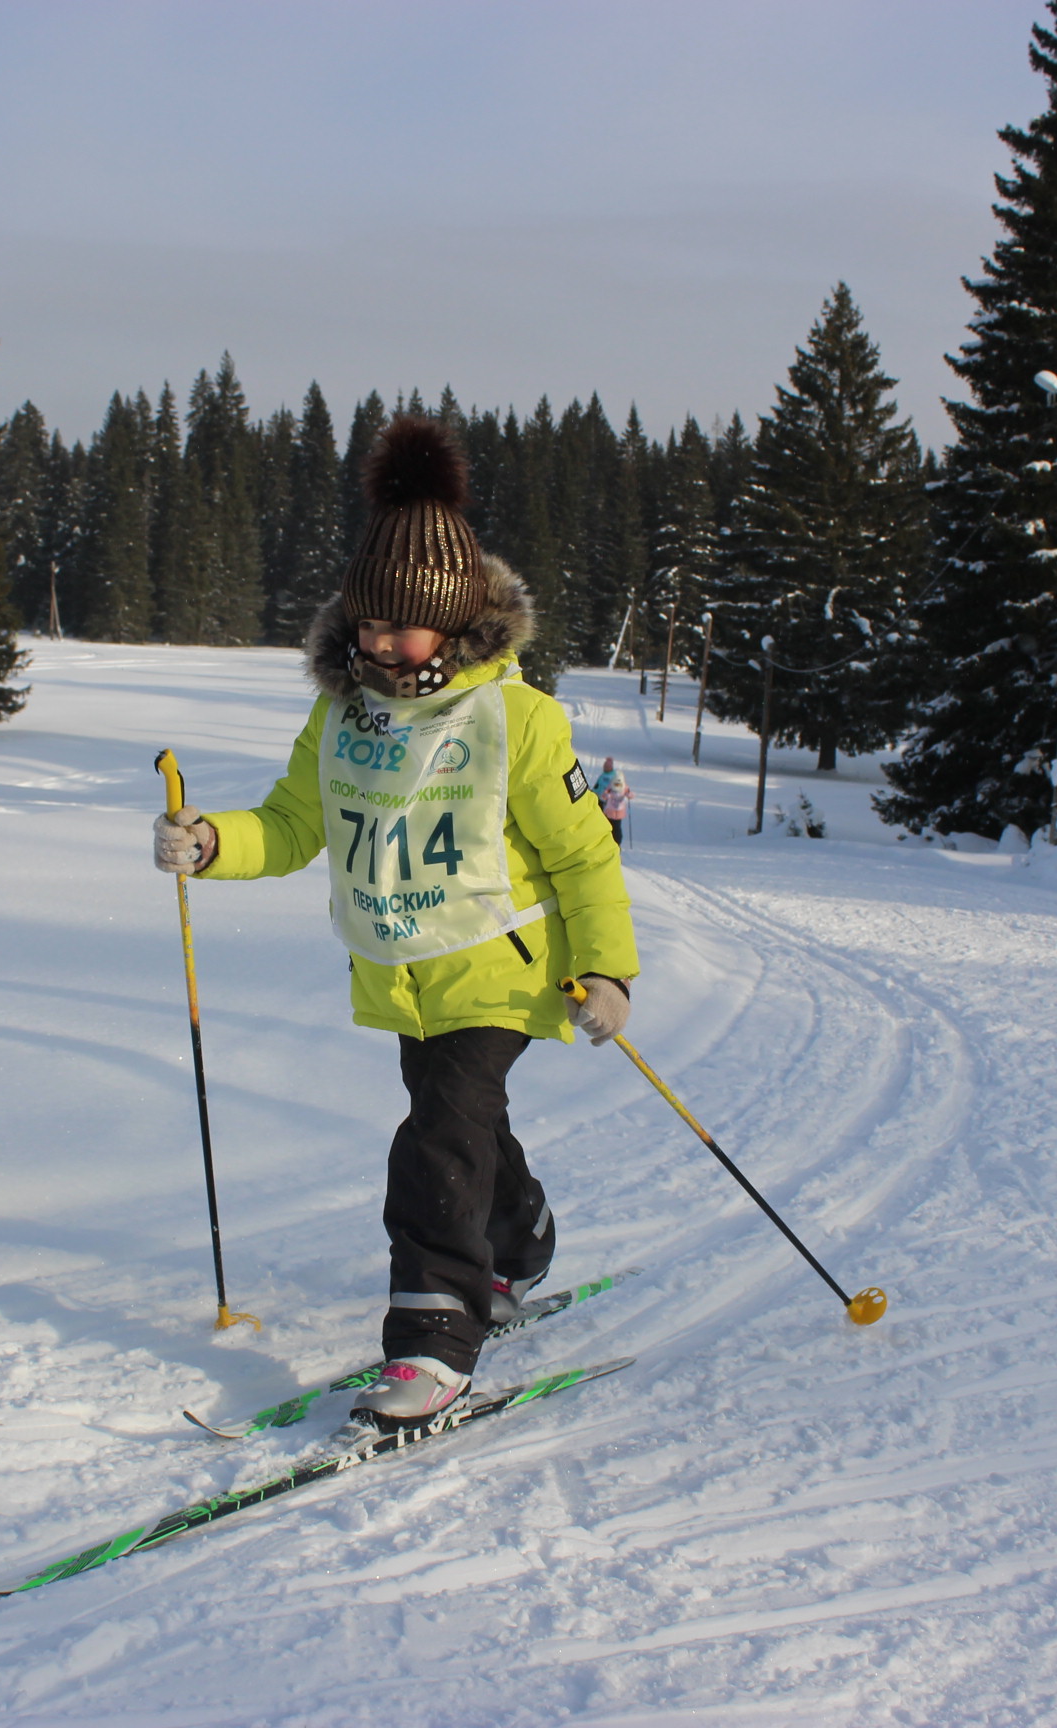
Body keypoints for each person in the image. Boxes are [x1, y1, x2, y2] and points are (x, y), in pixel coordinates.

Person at [152, 415, 639, 1430]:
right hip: (401, 975)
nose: (378, 644)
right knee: (466, 1129)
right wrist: (210, 843)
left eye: (400, 628)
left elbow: (585, 854)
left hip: (498, 970)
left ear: (456, 625)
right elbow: (294, 823)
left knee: (434, 1145)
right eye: (367, 624)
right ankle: (520, 1237)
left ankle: (433, 1337)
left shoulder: (517, 720)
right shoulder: (344, 716)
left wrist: (607, 971)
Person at [594, 757, 630, 846]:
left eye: (606, 766)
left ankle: (614, 842)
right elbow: (598, 786)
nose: (605, 768)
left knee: (611, 825)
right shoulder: (604, 775)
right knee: (611, 824)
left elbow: (607, 789)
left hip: (609, 804)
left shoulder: (613, 777)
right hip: (606, 803)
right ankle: (612, 841)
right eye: (605, 766)